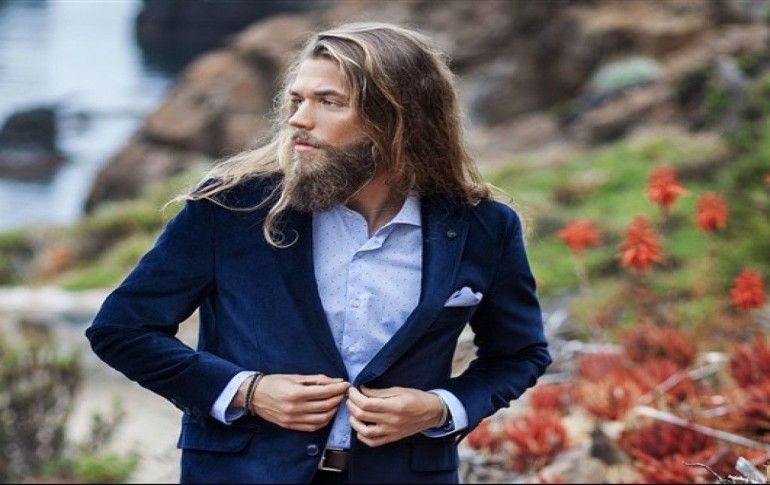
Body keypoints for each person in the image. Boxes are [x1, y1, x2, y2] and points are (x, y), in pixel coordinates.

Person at [85, 22, 551, 484]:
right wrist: (247, 391)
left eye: (329, 102)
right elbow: (122, 330)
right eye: (297, 100)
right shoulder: (231, 207)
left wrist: (439, 408)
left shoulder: (484, 227)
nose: (299, 120)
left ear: (398, 118)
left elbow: (520, 354)